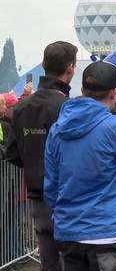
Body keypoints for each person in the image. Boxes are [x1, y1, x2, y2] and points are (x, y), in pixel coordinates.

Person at [44, 61, 116, 270]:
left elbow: (51, 186)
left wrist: (63, 216)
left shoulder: (57, 129)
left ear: (82, 90)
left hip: (69, 231)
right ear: (114, 92)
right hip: (107, 233)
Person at [6, 41, 77, 271]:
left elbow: (12, 152)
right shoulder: (66, 107)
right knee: (72, 260)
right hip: (66, 197)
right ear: (70, 68)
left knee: (48, 262)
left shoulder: (22, 107)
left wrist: (34, 163)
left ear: (44, 65)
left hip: (38, 196)